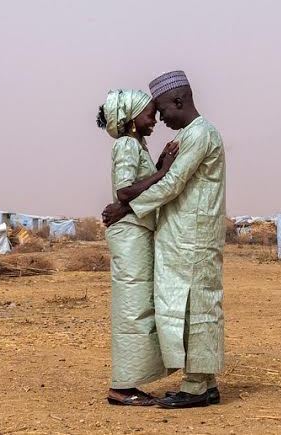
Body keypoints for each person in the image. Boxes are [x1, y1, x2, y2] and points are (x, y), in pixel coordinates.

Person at [102, 71, 226, 409]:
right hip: (181, 237)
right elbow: (158, 178)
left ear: (179, 101)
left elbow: (172, 183)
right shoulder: (188, 135)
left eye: (161, 110)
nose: (159, 118)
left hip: (193, 237)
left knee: (196, 307)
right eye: (151, 112)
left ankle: (197, 385)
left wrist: (126, 208)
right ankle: (202, 382)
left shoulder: (200, 134)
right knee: (187, 308)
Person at [97, 89, 178, 406]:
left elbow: (132, 191)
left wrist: (157, 164)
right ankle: (122, 387)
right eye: (148, 113)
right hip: (130, 235)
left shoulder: (135, 145)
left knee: (139, 306)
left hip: (136, 232)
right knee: (133, 309)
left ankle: (129, 382)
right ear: (131, 119)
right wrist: (162, 171)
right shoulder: (128, 144)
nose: (154, 118)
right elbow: (125, 191)